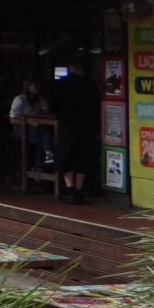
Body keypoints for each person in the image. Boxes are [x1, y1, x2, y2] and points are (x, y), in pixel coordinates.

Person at [51, 55, 103, 203]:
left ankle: (70, 188)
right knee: (83, 156)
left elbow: (53, 106)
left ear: (71, 68)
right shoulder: (91, 84)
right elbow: (97, 106)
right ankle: (79, 190)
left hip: (67, 125)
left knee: (66, 155)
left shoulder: (63, 83)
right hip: (88, 126)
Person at [8, 77, 54, 169]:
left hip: (37, 127)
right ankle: (43, 162)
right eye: (35, 85)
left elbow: (46, 112)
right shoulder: (19, 99)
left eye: (38, 85)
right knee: (43, 134)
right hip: (21, 129)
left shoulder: (40, 99)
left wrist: (43, 108)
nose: (38, 87)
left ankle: (43, 164)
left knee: (47, 133)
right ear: (28, 87)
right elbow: (12, 120)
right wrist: (28, 122)